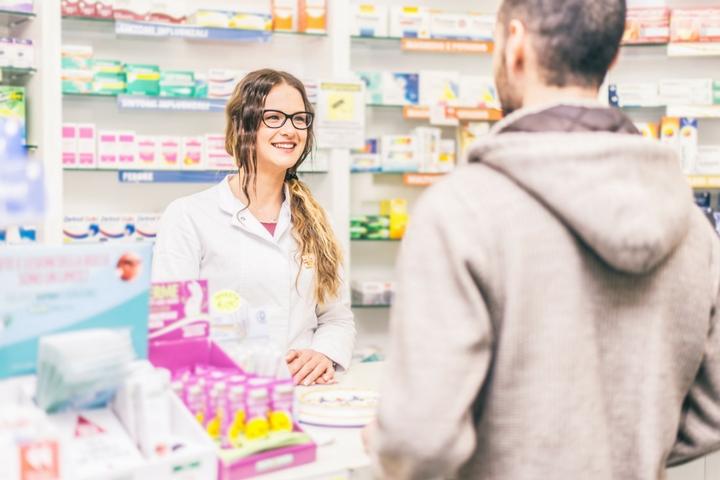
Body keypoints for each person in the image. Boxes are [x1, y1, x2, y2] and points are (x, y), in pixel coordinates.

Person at [368, 1, 720, 478]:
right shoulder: (694, 229)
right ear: (611, 58)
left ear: (515, 45)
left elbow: (419, 441)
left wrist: (386, 441)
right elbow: (711, 414)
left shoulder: (461, 211)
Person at [152, 69, 355, 386]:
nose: (290, 130)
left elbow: (336, 318)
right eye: (273, 117)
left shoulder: (317, 220)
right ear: (243, 125)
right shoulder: (189, 216)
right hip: (228, 393)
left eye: (299, 119)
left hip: (307, 393)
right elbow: (174, 329)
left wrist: (323, 354)